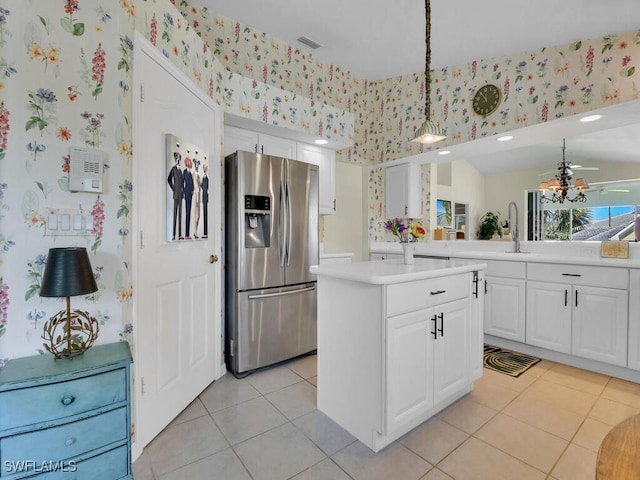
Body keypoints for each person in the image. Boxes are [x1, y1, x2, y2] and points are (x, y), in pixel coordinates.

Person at [167, 151, 184, 240]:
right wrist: (173, 189)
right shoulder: (173, 169)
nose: (178, 160)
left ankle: (180, 234)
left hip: (180, 195)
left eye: (179, 159)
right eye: (176, 158)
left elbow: (182, 182)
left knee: (180, 214)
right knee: (175, 214)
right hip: (176, 195)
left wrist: (182, 190)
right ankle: (173, 234)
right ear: (175, 159)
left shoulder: (180, 170)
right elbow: (169, 179)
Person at [183, 155, 194, 239]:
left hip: (190, 194)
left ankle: (188, 234)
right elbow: (183, 184)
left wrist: (192, 191)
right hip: (186, 194)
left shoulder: (190, 174)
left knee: (189, 213)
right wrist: (183, 192)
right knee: (187, 213)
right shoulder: (185, 172)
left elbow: (192, 184)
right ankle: (186, 234)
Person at [201, 162, 209, 239]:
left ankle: (206, 232)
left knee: (207, 215)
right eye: (204, 169)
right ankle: (205, 232)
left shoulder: (207, 179)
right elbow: (202, 186)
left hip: (207, 199)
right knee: (204, 215)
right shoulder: (203, 178)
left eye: (206, 169)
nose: (205, 170)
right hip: (204, 199)